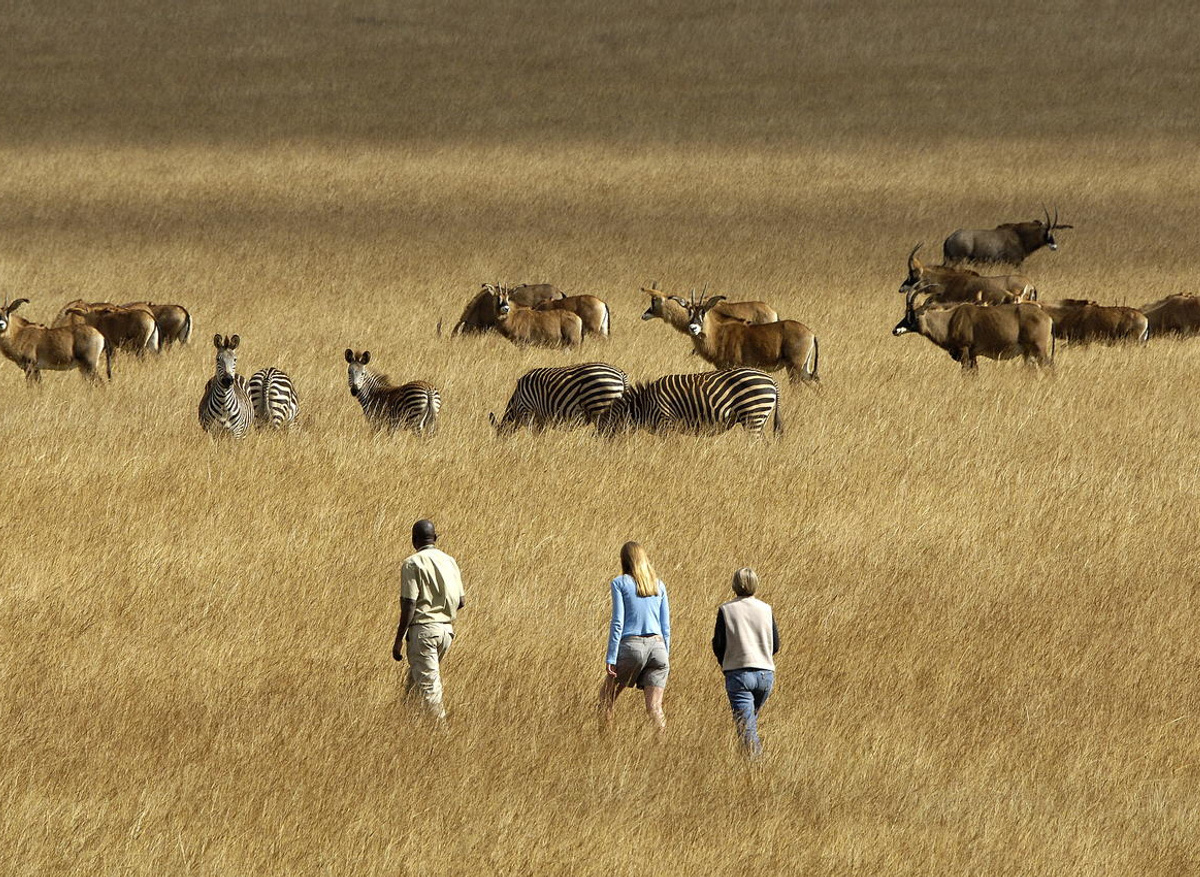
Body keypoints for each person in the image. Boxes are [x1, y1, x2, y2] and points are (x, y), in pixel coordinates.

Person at [392, 519, 465, 720]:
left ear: (414, 540)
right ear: (436, 538)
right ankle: (405, 728)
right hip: (446, 632)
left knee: (430, 691)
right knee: (414, 688)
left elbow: (409, 604)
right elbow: (461, 601)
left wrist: (399, 639)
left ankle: (442, 736)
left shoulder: (412, 563)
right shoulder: (450, 561)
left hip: (423, 633)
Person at [601, 541, 671, 730]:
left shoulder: (620, 583)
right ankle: (664, 752)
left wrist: (611, 657)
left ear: (624, 560)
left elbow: (618, 622)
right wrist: (666, 656)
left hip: (632, 646)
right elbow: (666, 626)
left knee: (606, 700)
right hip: (659, 648)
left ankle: (604, 747)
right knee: (655, 708)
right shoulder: (659, 586)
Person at [712, 567, 779, 757]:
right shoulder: (766, 609)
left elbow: (718, 644)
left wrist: (725, 663)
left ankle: (756, 769)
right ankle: (747, 768)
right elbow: (776, 645)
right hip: (766, 675)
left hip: (738, 674)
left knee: (747, 730)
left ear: (735, 585)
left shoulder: (726, 610)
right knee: (749, 724)